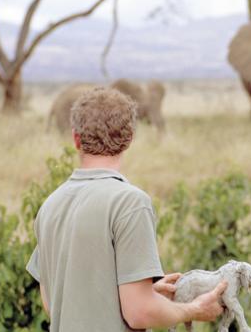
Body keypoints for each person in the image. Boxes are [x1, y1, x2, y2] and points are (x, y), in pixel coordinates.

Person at [27, 87, 227, 331]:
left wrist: (144, 291)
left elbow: (54, 303)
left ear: (76, 139)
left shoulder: (50, 206)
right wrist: (193, 309)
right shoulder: (130, 203)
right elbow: (139, 312)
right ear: (129, 138)